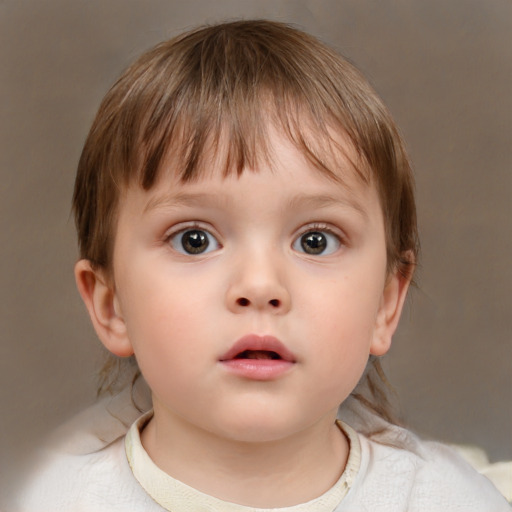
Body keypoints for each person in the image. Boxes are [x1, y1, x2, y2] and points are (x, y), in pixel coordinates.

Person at [16, 19, 509, 511]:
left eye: (315, 241)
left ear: (385, 302)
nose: (259, 286)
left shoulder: (448, 500)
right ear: (111, 304)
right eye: (194, 240)